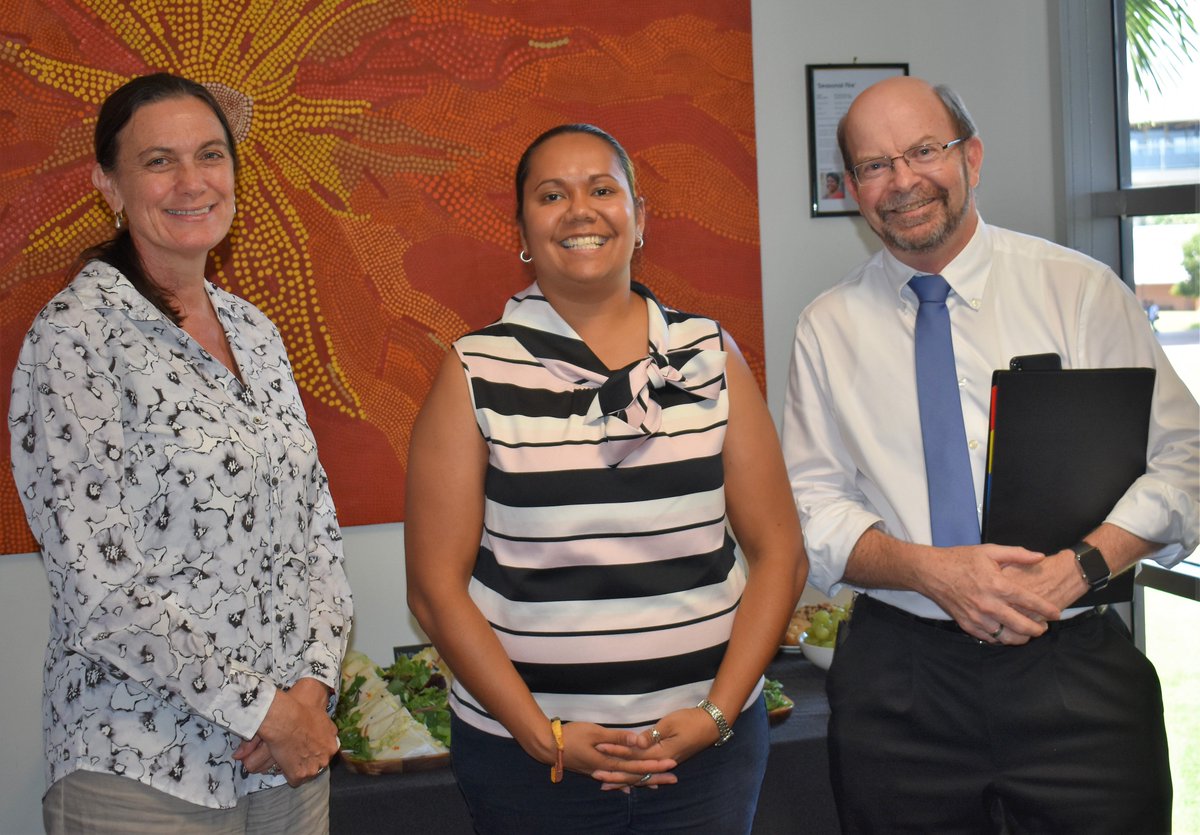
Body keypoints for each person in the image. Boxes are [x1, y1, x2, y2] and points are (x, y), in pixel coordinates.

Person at [782, 76, 1198, 833]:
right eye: (875, 165)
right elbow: (811, 506)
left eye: (924, 151)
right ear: (850, 190)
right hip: (900, 683)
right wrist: (933, 572)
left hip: (1075, 659)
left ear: (971, 155)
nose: (903, 180)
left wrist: (1077, 566)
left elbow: (1185, 460)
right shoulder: (827, 326)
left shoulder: (1079, 292)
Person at [406, 123, 805, 834]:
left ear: (639, 217)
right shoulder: (474, 370)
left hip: (704, 762)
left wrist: (716, 715)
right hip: (529, 766)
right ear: (524, 229)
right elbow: (435, 590)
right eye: (552, 194)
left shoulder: (710, 354)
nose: (580, 210)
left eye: (602, 189)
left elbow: (781, 553)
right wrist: (540, 733)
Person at [8, 73, 354, 833]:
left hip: (282, 763)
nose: (192, 182)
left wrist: (311, 688)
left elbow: (317, 533)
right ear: (110, 184)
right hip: (141, 763)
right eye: (159, 161)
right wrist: (265, 709)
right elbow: (98, 586)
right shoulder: (75, 337)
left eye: (210, 156)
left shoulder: (255, 332)